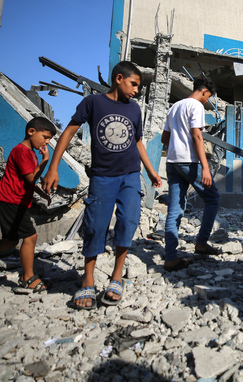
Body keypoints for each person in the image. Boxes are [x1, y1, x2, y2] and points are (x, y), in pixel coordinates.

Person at [42, 61, 162, 310]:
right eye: (134, 84)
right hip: (102, 176)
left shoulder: (135, 109)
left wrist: (150, 171)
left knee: (129, 220)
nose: (137, 91)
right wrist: (53, 167)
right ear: (119, 78)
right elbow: (68, 132)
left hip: (130, 175)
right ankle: (88, 278)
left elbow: (137, 141)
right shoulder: (93, 103)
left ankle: (117, 276)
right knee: (96, 225)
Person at [161, 75, 221, 271]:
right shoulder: (196, 106)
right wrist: (205, 167)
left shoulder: (174, 107)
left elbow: (165, 138)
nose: (207, 100)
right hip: (190, 162)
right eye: (208, 96)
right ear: (204, 91)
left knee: (175, 209)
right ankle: (201, 243)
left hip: (172, 162)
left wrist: (177, 145)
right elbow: (197, 135)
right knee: (213, 198)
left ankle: (170, 257)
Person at [0, 117, 56, 293]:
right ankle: (27, 278)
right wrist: (46, 160)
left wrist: (41, 195)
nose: (46, 142)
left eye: (49, 139)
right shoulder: (22, 151)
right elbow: (31, 178)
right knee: (30, 236)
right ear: (31, 132)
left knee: (11, 240)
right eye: (45, 137)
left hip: (17, 200)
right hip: (10, 200)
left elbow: (29, 182)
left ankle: (27, 276)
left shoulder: (29, 152)